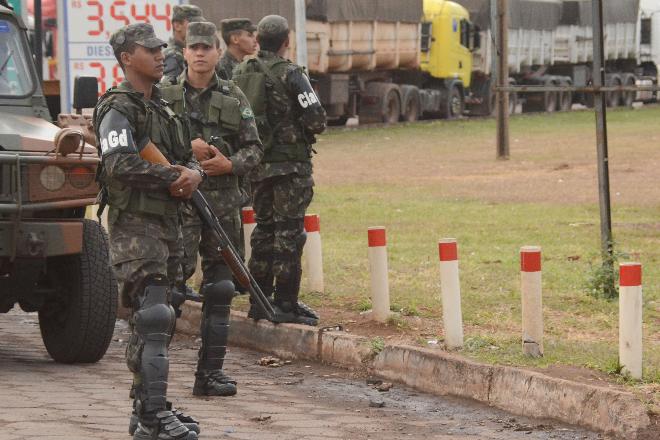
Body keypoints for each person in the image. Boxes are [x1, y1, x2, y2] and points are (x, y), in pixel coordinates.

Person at [93, 23, 203, 440]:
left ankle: (146, 412)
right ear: (126, 58)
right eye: (150, 49)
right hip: (136, 227)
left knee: (158, 318)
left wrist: (192, 174)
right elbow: (118, 163)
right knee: (154, 314)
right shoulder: (117, 107)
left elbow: (183, 159)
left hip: (168, 224)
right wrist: (170, 176)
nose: (161, 55)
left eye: (161, 48)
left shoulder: (163, 109)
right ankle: (154, 413)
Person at [160, 21, 263, 396]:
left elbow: (254, 149)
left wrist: (230, 164)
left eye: (207, 47)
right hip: (181, 203)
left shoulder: (235, 96)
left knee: (220, 288)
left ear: (219, 53)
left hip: (222, 206)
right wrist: (188, 148)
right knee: (169, 289)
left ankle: (210, 375)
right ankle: (157, 375)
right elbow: (149, 142)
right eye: (194, 47)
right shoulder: (164, 94)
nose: (200, 53)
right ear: (184, 52)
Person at [233, 15, 327, 326]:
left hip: (256, 165)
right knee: (288, 233)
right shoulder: (291, 74)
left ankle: (259, 301)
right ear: (287, 41)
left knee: (263, 231)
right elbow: (316, 118)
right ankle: (285, 302)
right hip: (290, 168)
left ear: (257, 40)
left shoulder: (240, 72)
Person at [163, 4, 204, 82]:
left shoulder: (187, 51)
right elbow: (169, 88)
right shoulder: (172, 55)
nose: (200, 28)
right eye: (194, 25)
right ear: (177, 26)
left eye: (201, 24)